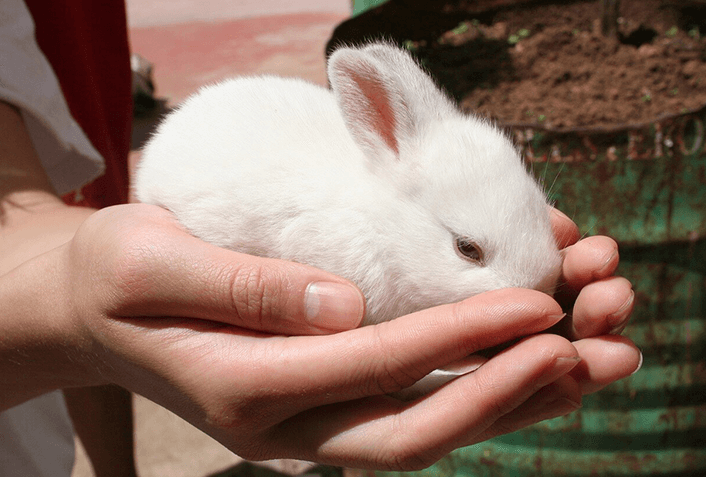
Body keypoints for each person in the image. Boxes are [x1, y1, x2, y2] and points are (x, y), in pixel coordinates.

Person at [0, 0, 642, 475]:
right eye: (469, 252)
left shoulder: (448, 183)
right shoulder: (351, 239)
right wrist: (84, 299)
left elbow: (17, 193)